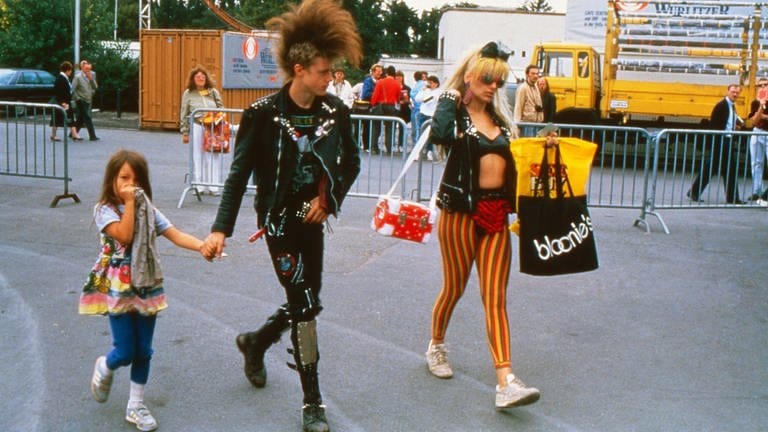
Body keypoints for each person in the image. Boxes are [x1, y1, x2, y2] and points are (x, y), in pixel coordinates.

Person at [200, 1, 362, 430]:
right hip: (278, 224)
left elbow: (352, 162)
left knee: (310, 297)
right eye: (325, 72)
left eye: (331, 71)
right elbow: (237, 175)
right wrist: (220, 229)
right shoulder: (262, 115)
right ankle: (312, 403)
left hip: (314, 220)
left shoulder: (335, 111)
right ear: (299, 69)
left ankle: (255, 342)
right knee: (305, 305)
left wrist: (328, 199)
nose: (331, 78)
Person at [426, 41, 540, 410]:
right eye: (487, 79)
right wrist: (450, 95)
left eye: (499, 80)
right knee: (454, 288)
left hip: (496, 215)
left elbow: (518, 165)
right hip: (459, 213)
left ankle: (506, 379)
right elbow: (439, 136)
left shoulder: (502, 121)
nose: (493, 86)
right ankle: (437, 345)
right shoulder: (454, 115)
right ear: (471, 78)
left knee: (495, 298)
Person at [79, 149, 205, 432]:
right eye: (124, 178)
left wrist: (202, 246)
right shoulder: (104, 209)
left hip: (147, 284)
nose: (130, 185)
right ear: (111, 179)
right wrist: (129, 203)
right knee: (125, 350)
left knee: (144, 351)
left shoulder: (149, 209)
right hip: (118, 287)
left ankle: (136, 405)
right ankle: (106, 366)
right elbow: (124, 234)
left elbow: (174, 233)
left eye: (136, 180)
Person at [688, 84, 745, 204]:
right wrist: (717, 141)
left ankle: (732, 197)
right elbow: (714, 124)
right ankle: (732, 197)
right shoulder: (721, 106)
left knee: (726, 168)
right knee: (721, 168)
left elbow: (728, 121)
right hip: (721, 140)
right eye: (733, 92)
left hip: (726, 139)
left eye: (737, 92)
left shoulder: (731, 106)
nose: (735, 94)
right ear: (728, 91)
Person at [179, 65, 226, 194]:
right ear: (193, 79)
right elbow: (184, 112)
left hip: (212, 127)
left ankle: (213, 186)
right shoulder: (188, 93)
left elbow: (221, 108)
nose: (200, 78)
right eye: (198, 76)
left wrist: (219, 121)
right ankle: (199, 186)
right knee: (198, 156)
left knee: (212, 156)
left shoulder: (213, 92)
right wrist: (185, 131)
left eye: (203, 76)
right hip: (197, 125)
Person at [370, 65, 402, 154]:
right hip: (391, 107)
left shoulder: (380, 82)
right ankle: (389, 149)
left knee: (376, 127)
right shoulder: (397, 84)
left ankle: (374, 147)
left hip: (380, 106)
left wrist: (373, 104)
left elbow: (375, 96)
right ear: (394, 74)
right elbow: (398, 98)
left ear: (386, 73)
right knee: (390, 128)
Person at [49, 61, 83, 142]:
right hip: (62, 102)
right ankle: (53, 135)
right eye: (70, 70)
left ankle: (74, 134)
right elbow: (58, 92)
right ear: (67, 70)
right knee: (57, 119)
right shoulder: (61, 79)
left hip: (65, 101)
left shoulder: (63, 78)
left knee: (70, 117)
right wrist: (62, 102)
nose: (71, 72)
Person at [747, 77, 768, 204]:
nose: (763, 87)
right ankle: (757, 191)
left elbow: (758, 117)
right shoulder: (755, 102)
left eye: (766, 85)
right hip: (757, 132)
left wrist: (762, 115)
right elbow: (754, 120)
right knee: (756, 163)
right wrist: (761, 105)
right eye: (760, 85)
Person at [414, 75, 441, 160]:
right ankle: (418, 152)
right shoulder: (425, 90)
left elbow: (429, 100)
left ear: (436, 84)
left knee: (430, 135)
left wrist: (425, 97)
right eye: (429, 82)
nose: (430, 84)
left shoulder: (438, 92)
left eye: (432, 83)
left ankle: (429, 151)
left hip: (432, 115)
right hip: (423, 113)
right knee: (421, 133)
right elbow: (417, 99)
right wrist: (422, 91)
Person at [72, 59, 100, 141]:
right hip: (81, 100)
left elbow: (95, 87)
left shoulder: (91, 76)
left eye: (89, 69)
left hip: (88, 99)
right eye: (87, 69)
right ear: (82, 68)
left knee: (81, 118)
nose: (88, 71)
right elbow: (73, 90)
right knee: (87, 118)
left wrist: (91, 79)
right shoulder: (78, 77)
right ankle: (92, 136)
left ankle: (73, 133)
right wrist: (77, 98)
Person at [514, 64, 544, 136]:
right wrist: (516, 126)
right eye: (533, 73)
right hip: (527, 125)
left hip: (537, 124)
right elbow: (518, 107)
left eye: (537, 74)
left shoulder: (536, 87)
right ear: (527, 75)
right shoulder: (523, 88)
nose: (535, 76)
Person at [359, 64, 383, 152]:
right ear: (373, 72)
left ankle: (374, 145)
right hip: (368, 107)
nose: (380, 73)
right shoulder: (368, 81)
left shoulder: (381, 81)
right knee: (367, 126)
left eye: (381, 71)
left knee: (377, 127)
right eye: (378, 71)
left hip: (378, 108)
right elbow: (365, 94)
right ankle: (366, 146)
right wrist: (377, 95)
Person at [395, 70, 411, 152]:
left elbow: (409, 100)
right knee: (392, 128)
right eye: (397, 76)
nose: (398, 78)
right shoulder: (393, 86)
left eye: (400, 76)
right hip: (395, 109)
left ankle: (400, 145)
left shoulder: (407, 88)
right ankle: (392, 145)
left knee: (402, 128)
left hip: (404, 110)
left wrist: (405, 100)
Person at [410, 71, 428, 145]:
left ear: (415, 78)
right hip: (425, 110)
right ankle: (425, 146)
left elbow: (412, 97)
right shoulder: (426, 85)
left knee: (416, 128)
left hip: (416, 110)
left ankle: (415, 145)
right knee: (425, 129)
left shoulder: (414, 87)